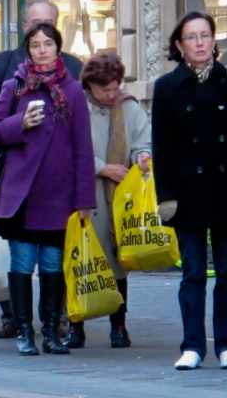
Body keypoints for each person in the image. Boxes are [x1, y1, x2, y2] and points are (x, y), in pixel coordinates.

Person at [0, 24, 95, 356]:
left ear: (58, 48)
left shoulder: (73, 90)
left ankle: (51, 333)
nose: (42, 50)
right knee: (22, 261)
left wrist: (84, 199)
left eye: (48, 44)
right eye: (35, 45)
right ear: (27, 50)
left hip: (58, 194)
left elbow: (83, 149)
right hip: (21, 194)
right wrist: (19, 124)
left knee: (52, 264)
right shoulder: (14, 85)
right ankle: (23, 333)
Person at [151, 12, 227, 370]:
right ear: (180, 45)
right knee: (192, 271)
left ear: (214, 40)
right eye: (191, 37)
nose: (200, 43)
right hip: (188, 191)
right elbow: (162, 146)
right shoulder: (166, 87)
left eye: (205, 35)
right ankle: (192, 345)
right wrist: (166, 196)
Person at [63, 51, 150, 351]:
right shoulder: (74, 105)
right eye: (105, 90)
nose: (112, 95)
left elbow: (143, 140)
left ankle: (119, 325)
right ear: (89, 85)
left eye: (115, 88)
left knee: (116, 261)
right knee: (80, 259)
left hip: (118, 198)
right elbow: (66, 148)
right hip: (83, 194)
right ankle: (75, 325)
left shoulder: (128, 106)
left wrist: (142, 155)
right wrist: (102, 168)